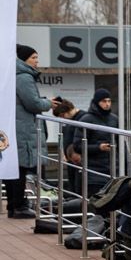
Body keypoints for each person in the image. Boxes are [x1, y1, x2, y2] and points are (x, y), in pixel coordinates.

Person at [5, 45, 53, 217]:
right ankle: (19, 206)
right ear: (24, 59)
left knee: (14, 167)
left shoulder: (13, 74)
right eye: (33, 57)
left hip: (15, 126)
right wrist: (48, 103)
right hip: (23, 129)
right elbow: (32, 103)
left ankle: (13, 205)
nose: (36, 61)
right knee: (21, 167)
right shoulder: (24, 77)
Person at [76, 88, 120, 196]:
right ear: (97, 102)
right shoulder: (86, 120)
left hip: (113, 169)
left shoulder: (114, 119)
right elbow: (77, 146)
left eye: (109, 101)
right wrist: (98, 147)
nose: (107, 104)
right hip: (94, 171)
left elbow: (120, 143)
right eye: (104, 101)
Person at [52, 100, 84, 198]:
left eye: (62, 116)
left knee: (79, 185)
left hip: (78, 158)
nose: (62, 119)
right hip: (71, 158)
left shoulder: (82, 118)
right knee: (72, 184)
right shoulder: (70, 120)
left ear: (67, 111)